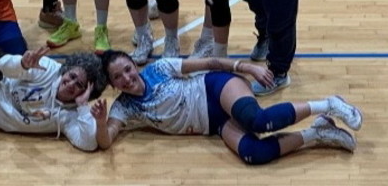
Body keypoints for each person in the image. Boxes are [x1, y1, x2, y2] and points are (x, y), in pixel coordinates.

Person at [92, 50, 363, 165]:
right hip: (213, 123)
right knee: (253, 154)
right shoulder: (123, 107)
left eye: (127, 69)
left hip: (215, 88)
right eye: (118, 77)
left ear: (134, 65)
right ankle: (317, 133)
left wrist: (247, 68)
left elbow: (210, 63)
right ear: (113, 85)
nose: (126, 78)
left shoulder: (160, 68)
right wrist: (102, 122)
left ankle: (329, 104)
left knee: (257, 120)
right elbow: (106, 142)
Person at [0, 46, 107, 151]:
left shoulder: (72, 114)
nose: (70, 84)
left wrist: (83, 107)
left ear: (86, 92)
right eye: (72, 76)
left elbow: (88, 144)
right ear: (66, 70)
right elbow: (1, 65)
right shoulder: (46, 68)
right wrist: (22, 64)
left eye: (79, 85)